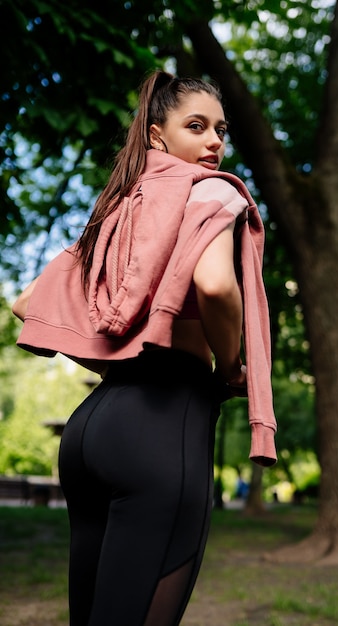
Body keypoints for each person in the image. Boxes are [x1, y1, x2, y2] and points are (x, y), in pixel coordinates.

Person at [12, 69, 277, 626]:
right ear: (157, 135)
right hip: (164, 424)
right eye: (197, 126)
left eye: (220, 131)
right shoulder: (209, 191)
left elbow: (27, 301)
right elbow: (214, 286)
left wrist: (113, 353)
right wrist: (230, 368)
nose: (214, 143)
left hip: (90, 430)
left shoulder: (118, 212)